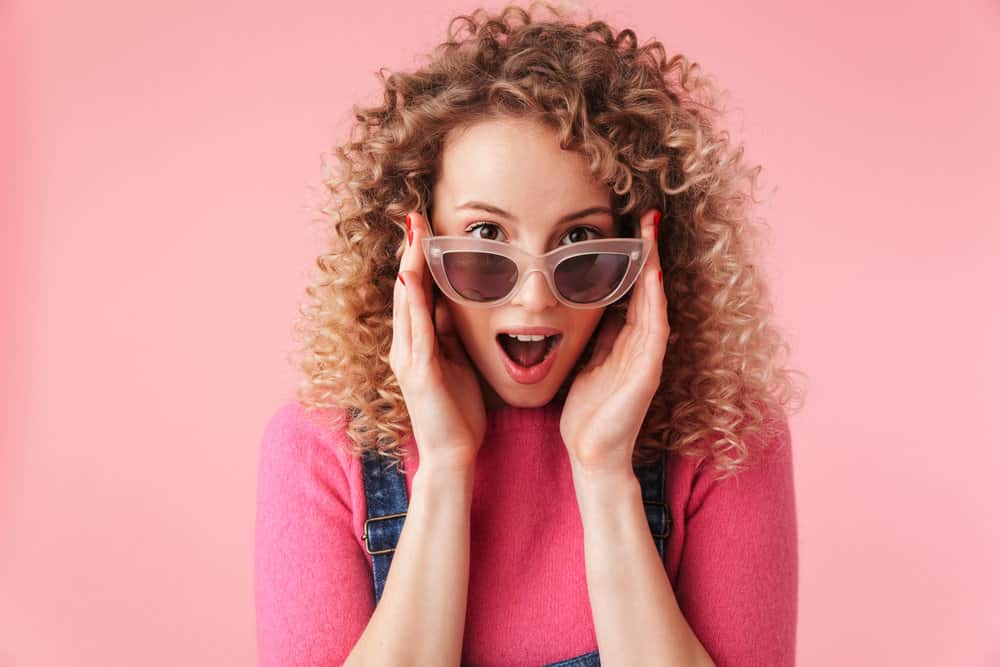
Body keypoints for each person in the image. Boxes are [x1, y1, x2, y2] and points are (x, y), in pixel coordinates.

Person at [254, 3, 806, 665]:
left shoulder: (724, 444)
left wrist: (605, 476)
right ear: (414, 239)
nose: (534, 295)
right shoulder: (319, 452)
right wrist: (444, 473)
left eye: (579, 242)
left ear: (644, 252)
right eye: (487, 238)